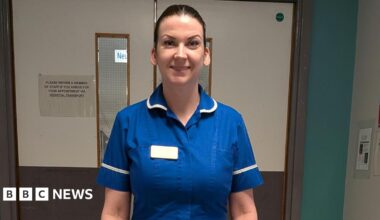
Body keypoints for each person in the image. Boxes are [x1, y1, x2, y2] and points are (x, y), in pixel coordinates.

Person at [97, 4, 263, 220]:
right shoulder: (128, 122)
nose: (181, 54)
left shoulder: (231, 123)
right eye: (169, 43)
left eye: (192, 43)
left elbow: (244, 211)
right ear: (154, 54)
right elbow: (115, 212)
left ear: (205, 54)